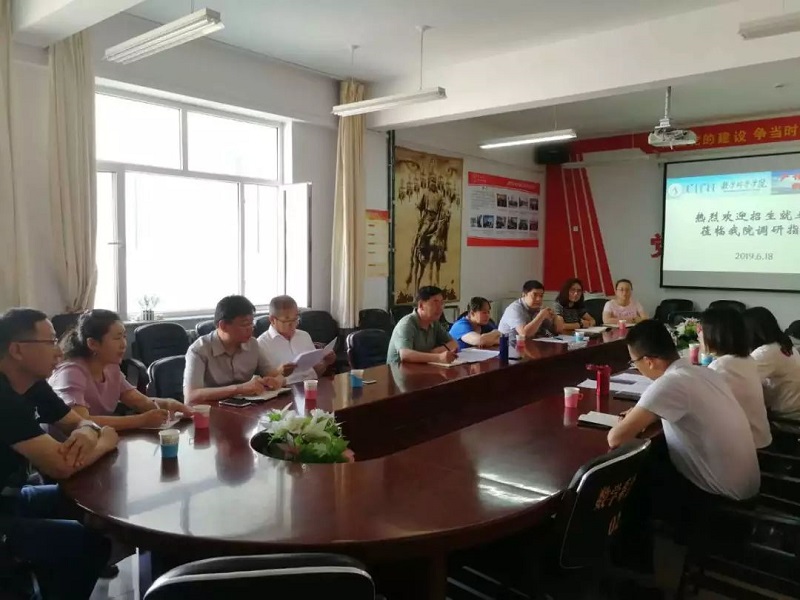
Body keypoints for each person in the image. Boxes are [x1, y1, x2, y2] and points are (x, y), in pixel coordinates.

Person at [0, 308, 120, 599]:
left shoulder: (33, 384)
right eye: (50, 342)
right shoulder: (4, 399)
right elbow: (61, 466)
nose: (59, 350)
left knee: (82, 503)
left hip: (13, 496)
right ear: (17, 350)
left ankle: (33, 577)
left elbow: (77, 421)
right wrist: (104, 441)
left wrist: (86, 430)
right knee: (88, 544)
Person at [608, 319, 759, 501]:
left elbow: (616, 438)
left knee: (641, 476)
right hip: (748, 486)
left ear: (648, 361)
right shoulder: (705, 372)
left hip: (719, 496)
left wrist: (632, 418)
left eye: (634, 362)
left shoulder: (669, 383)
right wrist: (647, 414)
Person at [49, 309, 188, 430]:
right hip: (65, 446)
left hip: (98, 440)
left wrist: (168, 404)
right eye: (117, 338)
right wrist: (141, 420)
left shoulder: (111, 367)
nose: (123, 344)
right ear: (92, 343)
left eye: (124, 337)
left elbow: (139, 401)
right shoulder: (70, 372)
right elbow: (80, 422)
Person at [184, 296, 284, 404]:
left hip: (246, 408)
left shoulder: (253, 344)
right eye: (245, 324)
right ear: (223, 326)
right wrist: (239, 389)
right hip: (211, 410)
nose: (250, 328)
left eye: (252, 323)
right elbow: (191, 396)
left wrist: (277, 381)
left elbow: (274, 375)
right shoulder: (199, 350)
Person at [700, 308, 771, 448]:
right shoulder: (747, 359)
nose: (699, 335)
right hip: (760, 438)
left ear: (714, 335)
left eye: (701, 330)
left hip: (747, 447)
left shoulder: (720, 367)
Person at [257, 295, 335, 385]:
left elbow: (314, 371)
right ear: (272, 320)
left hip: (312, 385)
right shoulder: (262, 344)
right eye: (287, 321)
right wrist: (279, 372)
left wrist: (326, 362)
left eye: (295, 319)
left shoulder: (304, 336)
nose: (293, 325)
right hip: (286, 390)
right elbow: (264, 382)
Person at [743, 306, 800, 420]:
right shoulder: (784, 345)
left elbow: (742, 380)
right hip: (794, 410)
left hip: (783, 418)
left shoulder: (766, 352)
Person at [386, 286, 458, 364]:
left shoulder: (434, 323)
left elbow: (454, 344)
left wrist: (433, 352)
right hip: (399, 369)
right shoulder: (406, 324)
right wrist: (438, 357)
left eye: (441, 303)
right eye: (435, 302)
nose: (440, 308)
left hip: (421, 367)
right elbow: (405, 355)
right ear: (421, 305)